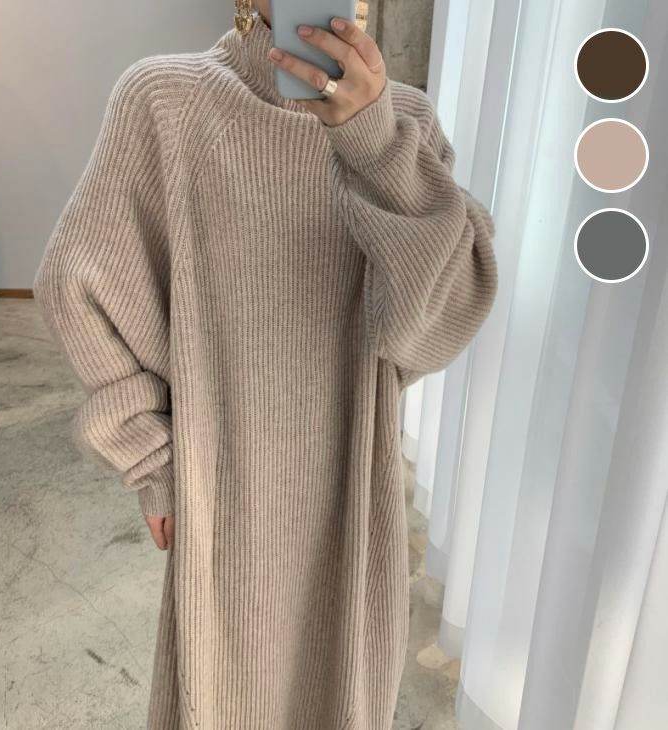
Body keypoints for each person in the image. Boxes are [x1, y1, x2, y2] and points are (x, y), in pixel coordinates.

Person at [32, 1, 498, 727]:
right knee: (222, 694)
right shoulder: (165, 100)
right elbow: (77, 284)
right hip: (223, 491)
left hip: (351, 492)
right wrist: (150, 457)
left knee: (338, 697)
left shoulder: (405, 125)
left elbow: (435, 328)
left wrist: (375, 148)